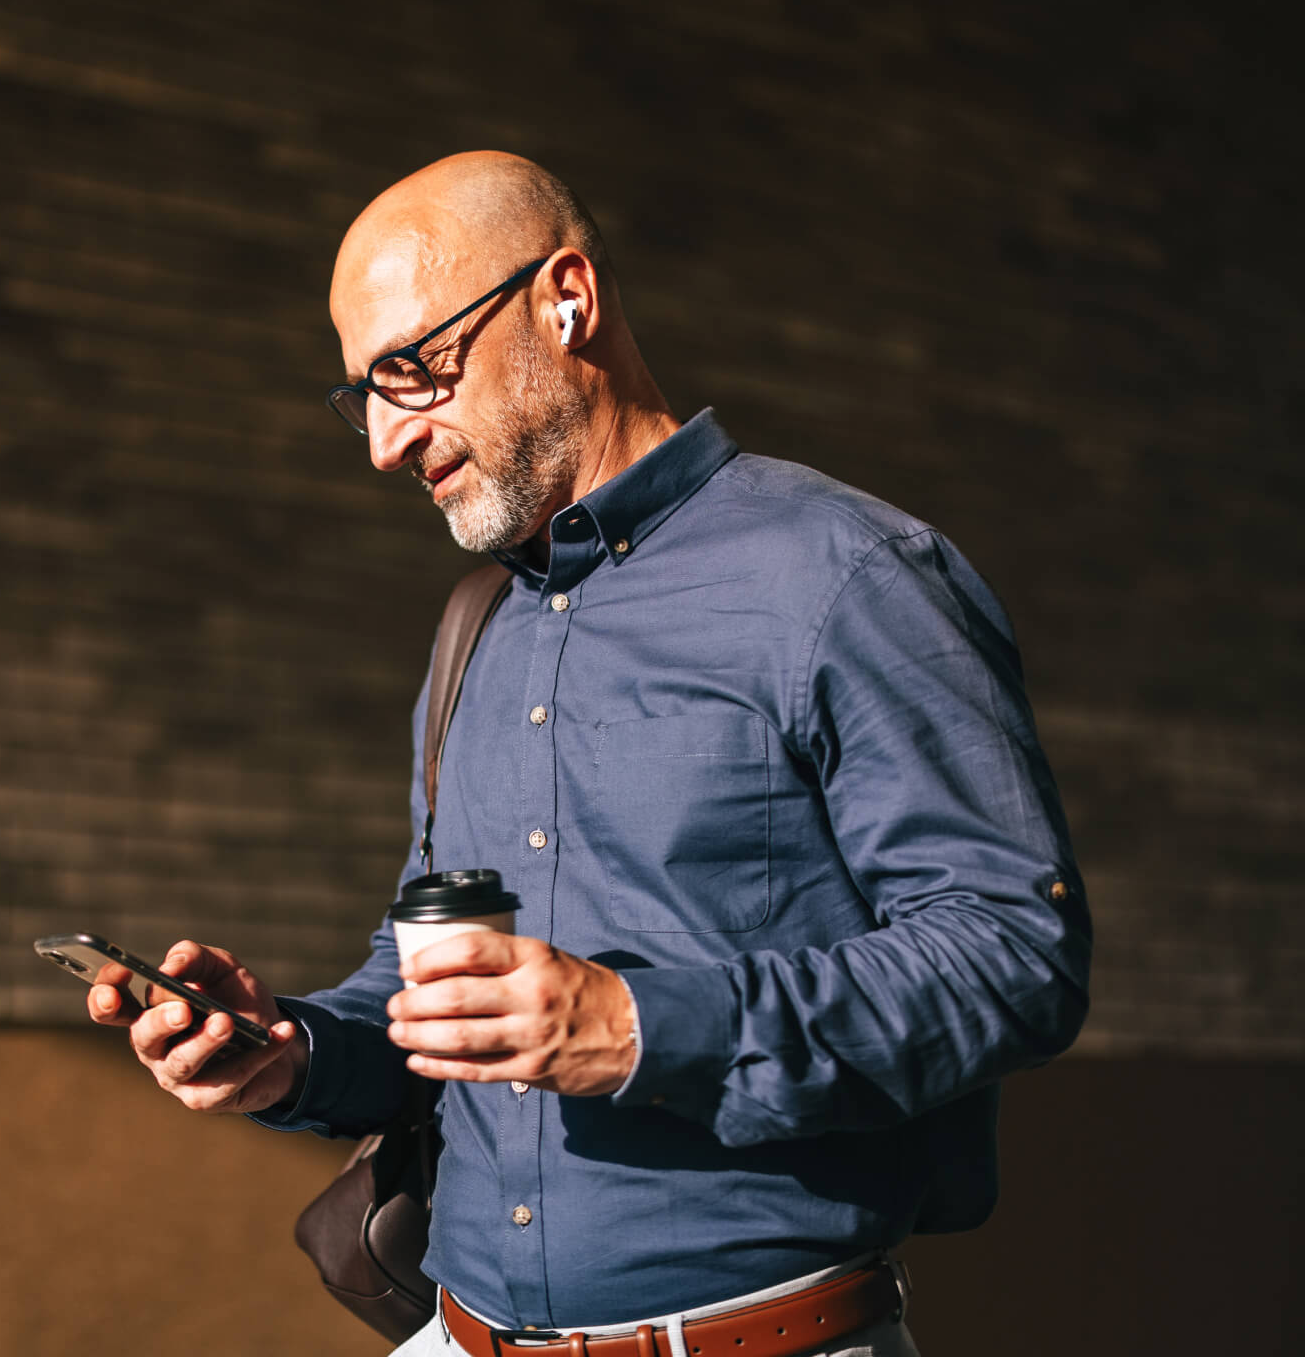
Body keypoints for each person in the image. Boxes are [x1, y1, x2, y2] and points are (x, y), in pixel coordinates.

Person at [89, 152, 1091, 1357]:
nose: (386, 443)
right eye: (365, 397)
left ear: (566, 300)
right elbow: (433, 996)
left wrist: (636, 1025)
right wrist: (293, 1055)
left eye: (411, 369)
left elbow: (1011, 956)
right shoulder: (476, 632)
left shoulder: (847, 576)